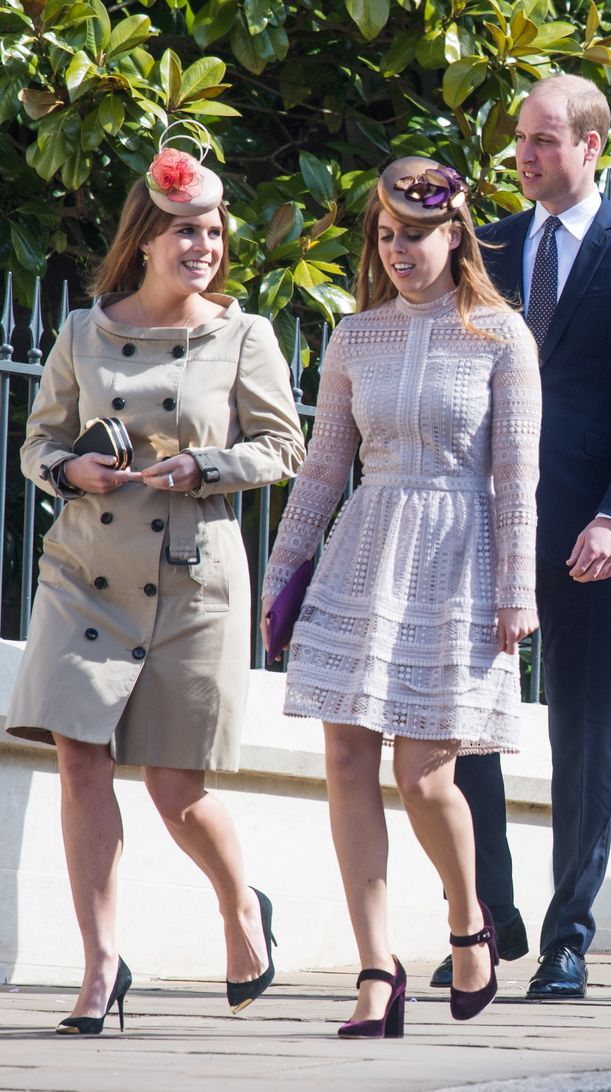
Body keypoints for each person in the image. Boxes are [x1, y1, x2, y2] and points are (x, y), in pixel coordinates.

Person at [5, 127, 307, 1034]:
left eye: (214, 232)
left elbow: (282, 447)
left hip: (192, 578)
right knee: (80, 764)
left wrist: (205, 468)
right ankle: (100, 969)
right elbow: (36, 444)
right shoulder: (81, 332)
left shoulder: (244, 335)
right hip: (85, 574)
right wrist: (70, 473)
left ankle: (241, 909)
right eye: (185, 230)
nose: (203, 247)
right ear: (145, 236)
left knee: (180, 789)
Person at [260, 157, 541, 1037]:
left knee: (424, 778)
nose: (398, 251)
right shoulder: (354, 337)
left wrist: (518, 589)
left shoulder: (503, 336)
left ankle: (469, 924)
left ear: (455, 233)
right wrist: (281, 577)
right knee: (346, 761)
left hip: (460, 558)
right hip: (364, 551)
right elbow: (321, 468)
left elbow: (517, 478)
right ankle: (375, 970)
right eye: (385, 236)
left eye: (414, 234)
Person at [432, 74, 611, 999]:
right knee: (468, 727)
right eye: (520, 139)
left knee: (583, 730)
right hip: (479, 527)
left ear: (591, 146)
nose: (525, 156)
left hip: (589, 529)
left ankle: (566, 936)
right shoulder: (486, 246)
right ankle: (489, 921)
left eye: (543, 140)